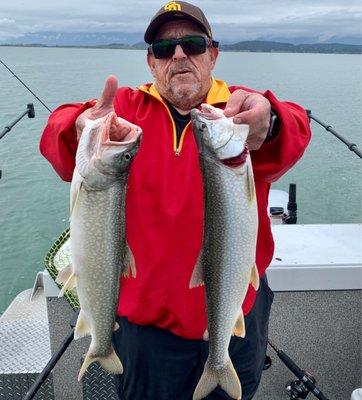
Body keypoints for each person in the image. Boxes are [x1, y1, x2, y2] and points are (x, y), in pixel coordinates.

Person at [40, 1, 311, 399]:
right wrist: (79, 126)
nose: (179, 55)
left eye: (193, 44)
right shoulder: (124, 114)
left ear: (213, 54)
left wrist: (271, 124)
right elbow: (59, 143)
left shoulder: (238, 113)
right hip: (146, 335)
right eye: (165, 49)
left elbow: (295, 132)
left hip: (235, 318)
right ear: (151, 62)